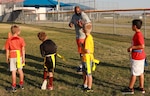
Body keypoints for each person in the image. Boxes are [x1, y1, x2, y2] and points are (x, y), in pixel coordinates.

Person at [122, 19, 146, 94]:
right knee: (140, 72)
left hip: (137, 57)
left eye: (132, 25)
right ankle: (141, 87)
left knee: (134, 73)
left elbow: (142, 46)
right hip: (140, 56)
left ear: (135, 26)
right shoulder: (137, 34)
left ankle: (130, 89)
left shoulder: (138, 35)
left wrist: (132, 48)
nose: (131, 27)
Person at [69, 6, 91, 72]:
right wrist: (70, 24)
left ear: (80, 10)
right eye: (75, 11)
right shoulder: (74, 16)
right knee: (80, 52)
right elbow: (71, 22)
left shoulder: (83, 15)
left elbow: (89, 25)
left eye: (78, 11)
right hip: (78, 36)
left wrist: (81, 26)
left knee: (83, 52)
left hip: (83, 36)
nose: (77, 12)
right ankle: (83, 64)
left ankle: (84, 65)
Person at [5, 25, 25, 92]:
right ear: (18, 32)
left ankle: (13, 86)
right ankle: (21, 84)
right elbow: (23, 49)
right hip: (19, 56)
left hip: (12, 56)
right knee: (20, 70)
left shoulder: (9, 40)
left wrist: (7, 58)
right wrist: (23, 58)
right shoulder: (21, 39)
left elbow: (7, 50)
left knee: (13, 71)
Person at [81, 23, 94, 92]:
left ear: (83, 30)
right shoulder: (88, 37)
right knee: (84, 72)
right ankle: (85, 85)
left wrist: (82, 46)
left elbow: (87, 51)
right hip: (85, 58)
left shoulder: (88, 39)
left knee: (89, 73)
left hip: (87, 59)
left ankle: (89, 87)